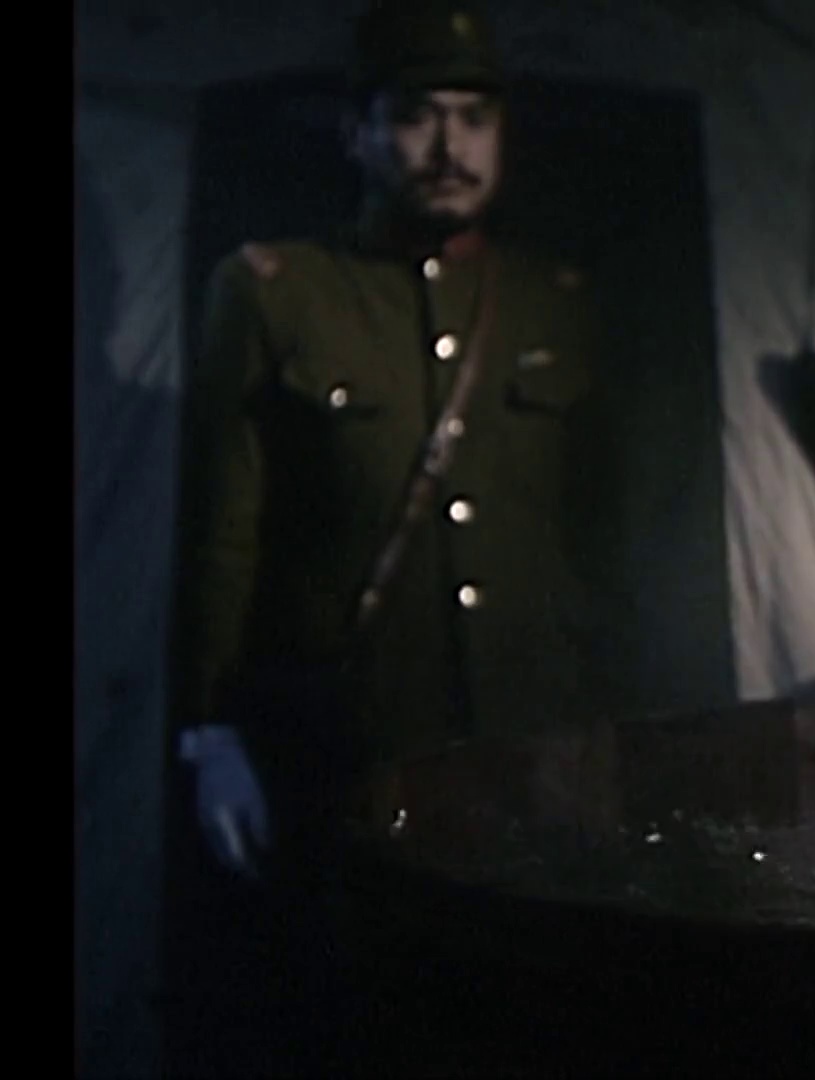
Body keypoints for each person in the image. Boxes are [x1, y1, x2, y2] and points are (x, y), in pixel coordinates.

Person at [163, 1, 627, 1070]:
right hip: (348, 758)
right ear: (358, 132)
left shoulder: (556, 303)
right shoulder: (280, 294)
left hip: (526, 758)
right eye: (417, 115)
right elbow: (221, 533)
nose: (450, 145)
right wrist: (210, 734)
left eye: (475, 116)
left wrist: (606, 738)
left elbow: (604, 547)